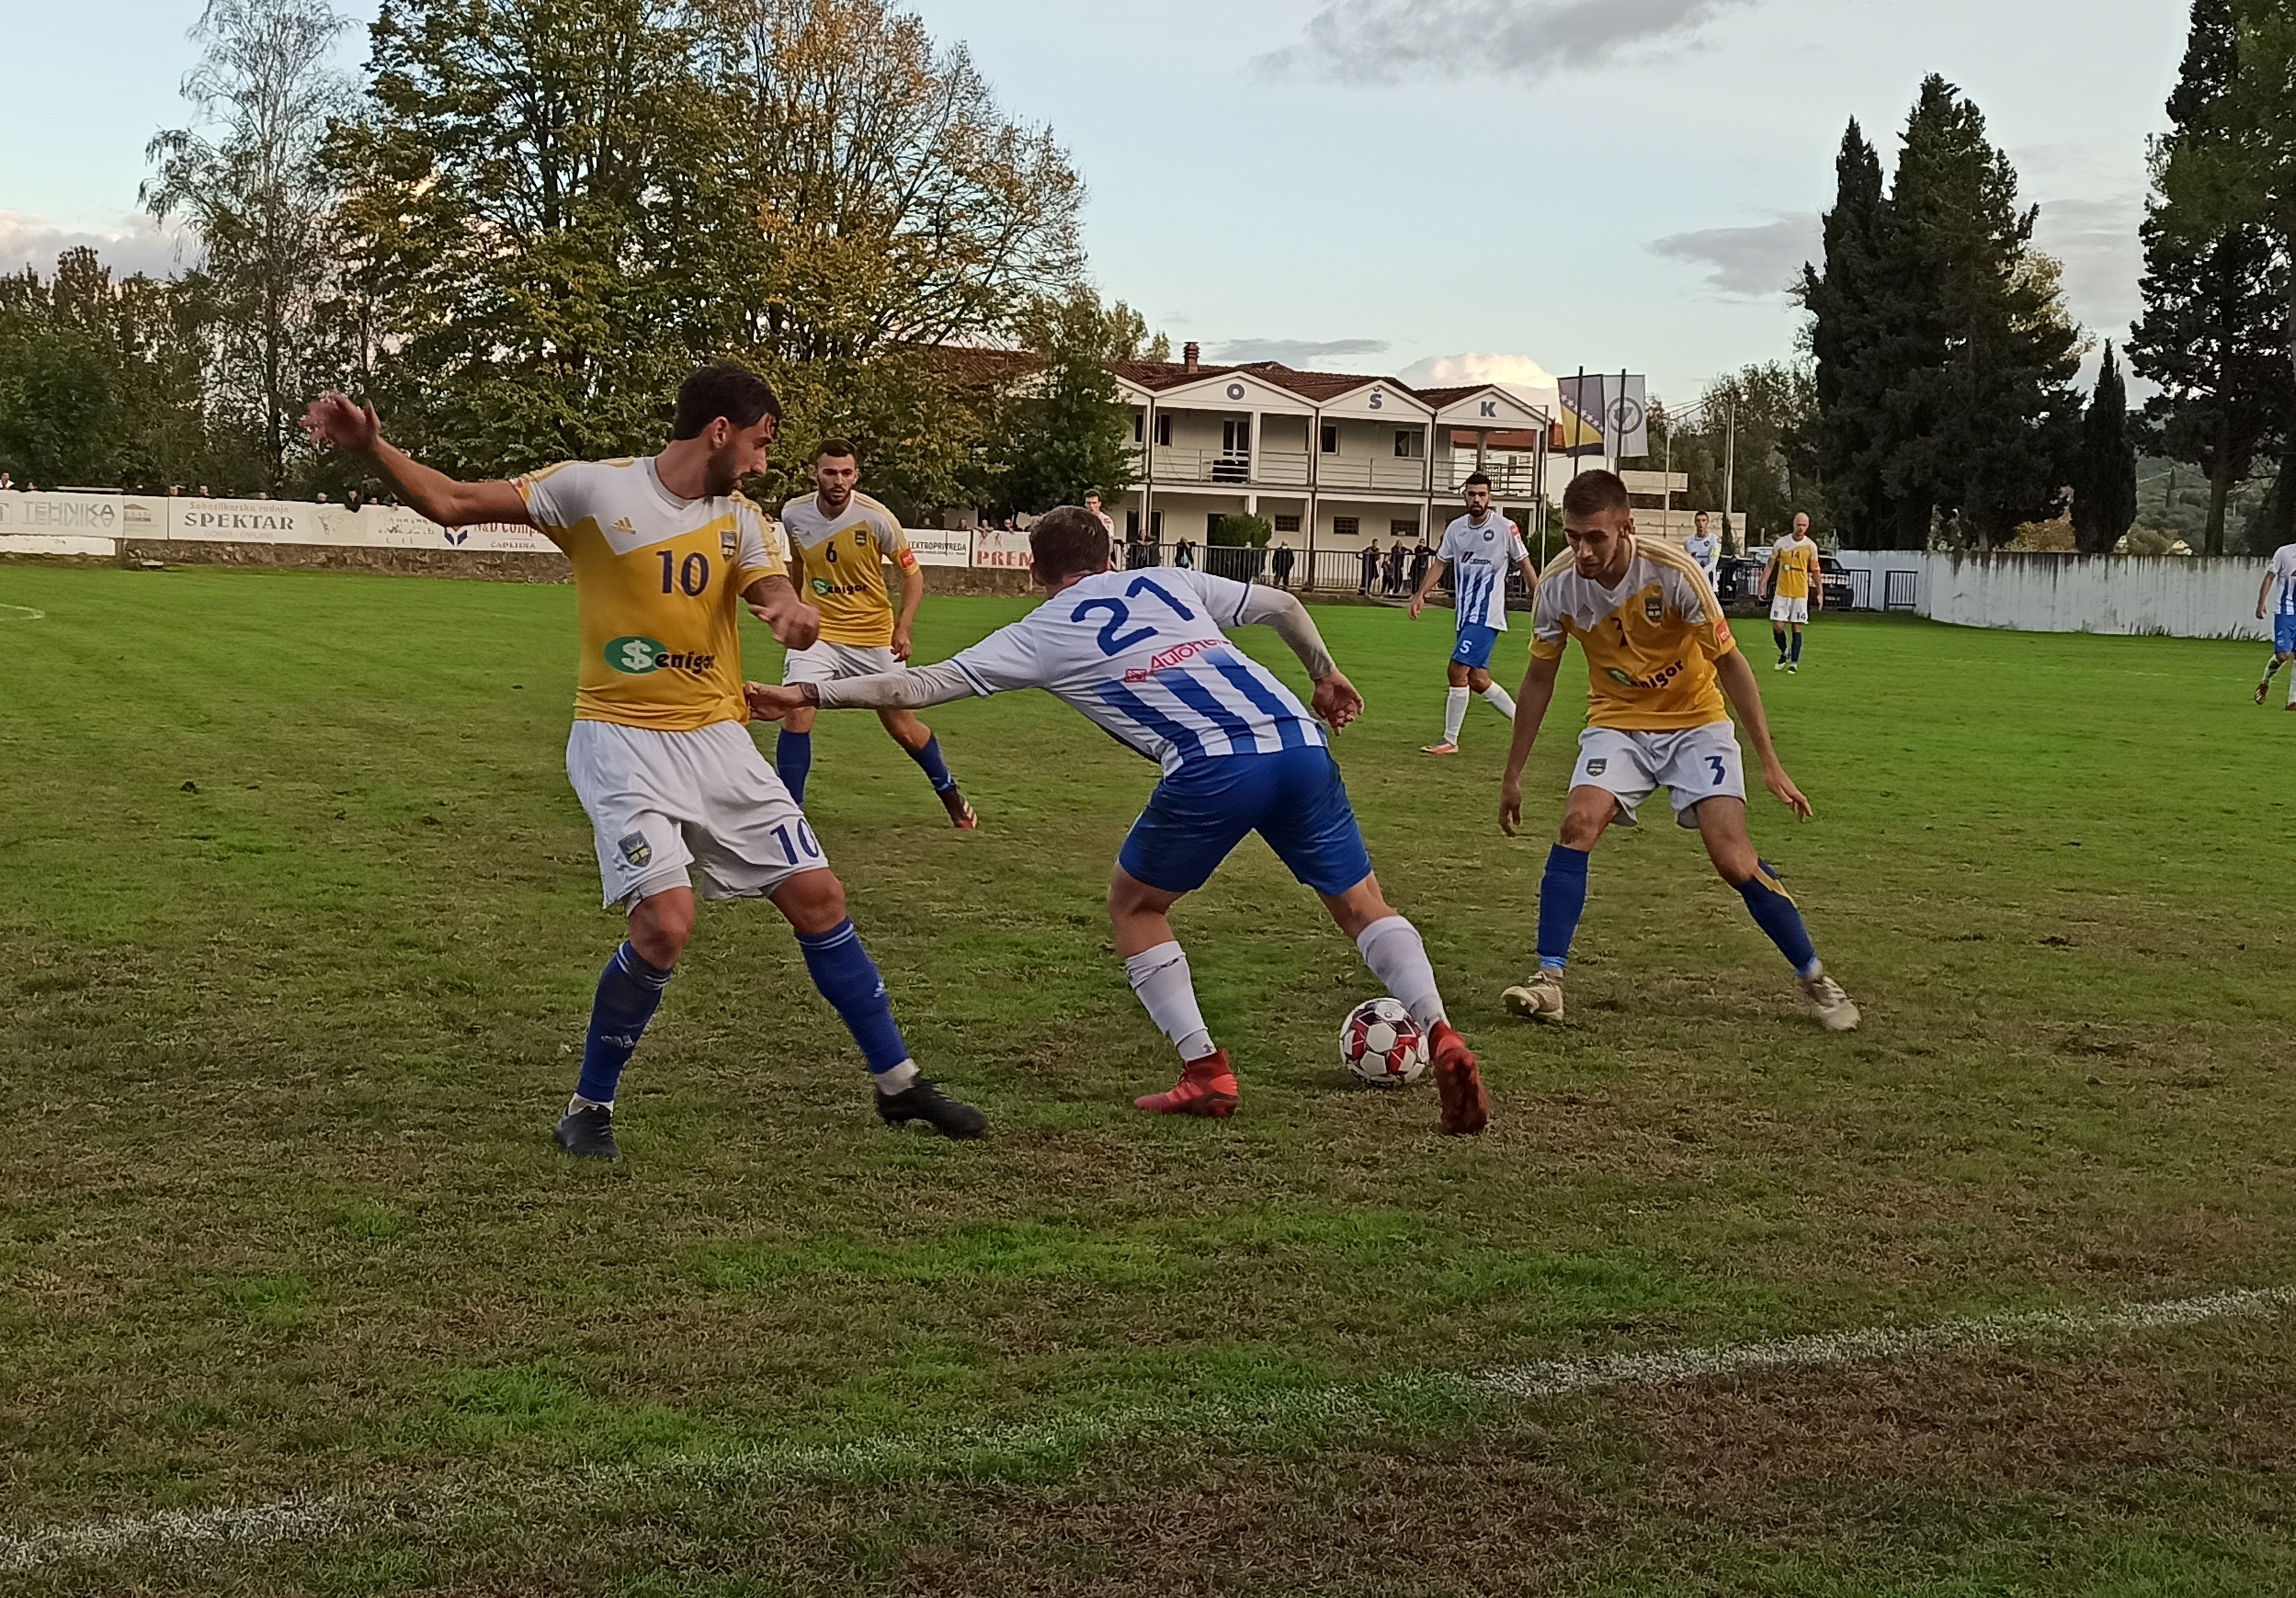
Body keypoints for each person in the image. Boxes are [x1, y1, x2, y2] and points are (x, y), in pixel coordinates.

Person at [298, 365, 987, 1161]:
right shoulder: (593, 489)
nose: (766, 463)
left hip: (718, 738)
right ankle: (589, 1106)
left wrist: (793, 615)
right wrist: (373, 447)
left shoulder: (744, 519)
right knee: (665, 924)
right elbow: (450, 501)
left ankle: (898, 1082)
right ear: (720, 432)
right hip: (620, 738)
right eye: (761, 443)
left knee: (820, 896)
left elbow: (769, 590)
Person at [745, 506, 1490, 1136]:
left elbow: (921, 682)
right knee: (1363, 904)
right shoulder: (1165, 578)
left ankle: (1206, 1071)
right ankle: (1438, 1027)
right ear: (1110, 556)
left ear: (1038, 573)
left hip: (1211, 760)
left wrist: (809, 694)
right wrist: (1324, 673)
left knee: (1136, 905)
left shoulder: (1039, 629)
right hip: (1296, 737)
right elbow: (1287, 607)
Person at [1495, 470, 1858, 1032]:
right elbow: (1539, 677)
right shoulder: (1558, 585)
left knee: (1732, 858)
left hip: (1696, 723)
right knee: (1577, 825)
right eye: (1572, 537)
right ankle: (1549, 981)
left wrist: (1769, 761)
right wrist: (1512, 773)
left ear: (1626, 528)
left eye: (1595, 537)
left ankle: (1814, 977)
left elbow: (1731, 664)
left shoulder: (1674, 573)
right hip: (1617, 723)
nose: (1583, 551)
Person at [773, 440, 976, 828]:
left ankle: (949, 792)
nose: (838, 480)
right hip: (820, 635)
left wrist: (903, 626)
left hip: (872, 637)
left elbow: (913, 575)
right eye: (830, 472)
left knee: (900, 724)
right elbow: (798, 563)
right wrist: (796, 612)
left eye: (846, 473)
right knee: (796, 707)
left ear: (856, 475)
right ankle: (789, 816)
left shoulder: (877, 518)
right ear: (815, 473)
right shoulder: (793, 514)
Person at [1409, 472, 1537, 756]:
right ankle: (1525, 723)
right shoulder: (1456, 529)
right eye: (1471, 494)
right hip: (1464, 615)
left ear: (1490, 497)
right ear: (1464, 496)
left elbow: (1524, 563)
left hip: (1486, 615)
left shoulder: (1506, 528)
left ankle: (1450, 741)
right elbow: (1441, 563)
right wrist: (1421, 594)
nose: (1476, 499)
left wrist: (1540, 599)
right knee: (1478, 680)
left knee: (1456, 669)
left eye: (1482, 494)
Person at [1760, 513, 1823, 672]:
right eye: (1798, 524)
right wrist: (1762, 583)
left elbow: (1815, 571)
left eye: (1804, 525)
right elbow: (1770, 565)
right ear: (1793, 524)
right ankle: (1784, 651)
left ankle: (1794, 663)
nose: (1800, 528)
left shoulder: (1811, 546)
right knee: (1778, 626)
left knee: (1797, 627)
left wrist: (1820, 592)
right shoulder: (1781, 543)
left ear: (1808, 526)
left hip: (1800, 593)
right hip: (1782, 591)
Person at [2255, 538, 2296, 708]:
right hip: (2285, 610)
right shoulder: (2284, 552)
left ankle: (2293, 700)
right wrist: (2261, 603)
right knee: (2283, 655)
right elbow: (2270, 577)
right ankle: (2265, 682)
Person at [1682, 510, 1719, 589]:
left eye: (1703, 520)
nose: (1701, 523)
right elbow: (1686, 561)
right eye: (1698, 521)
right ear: (1695, 522)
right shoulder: (1688, 541)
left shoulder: (1714, 539)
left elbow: (1713, 562)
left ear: (1707, 522)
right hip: (1694, 583)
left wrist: (1702, 573)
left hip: (1709, 584)